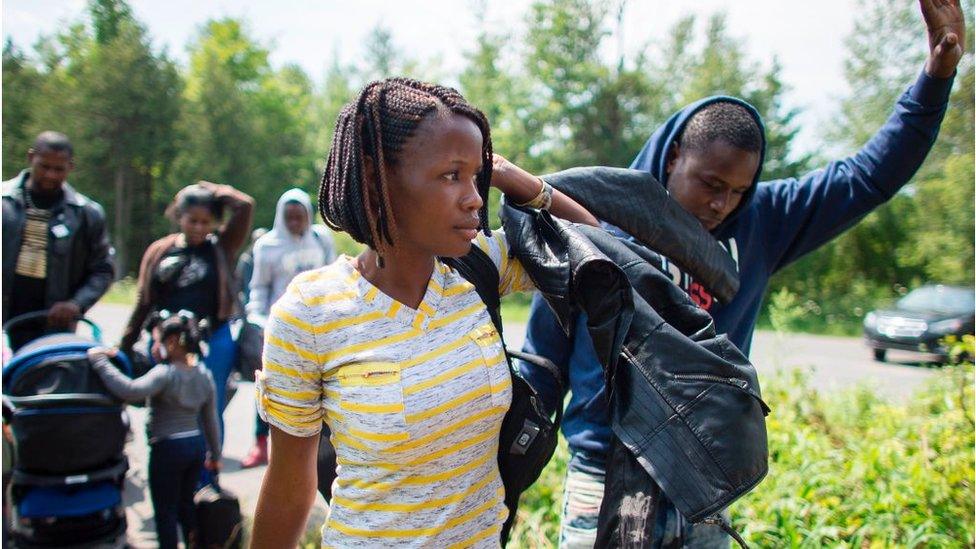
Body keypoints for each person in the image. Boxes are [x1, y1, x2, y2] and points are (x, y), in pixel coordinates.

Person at [519, 1, 966, 547]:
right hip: (608, 472)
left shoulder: (761, 224)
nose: (721, 205)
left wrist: (937, 77)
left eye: (738, 190)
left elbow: (868, 176)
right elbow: (544, 358)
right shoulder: (596, 216)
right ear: (675, 153)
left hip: (707, 478)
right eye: (710, 184)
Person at [249, 77, 596, 549]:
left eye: (477, 176)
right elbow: (290, 490)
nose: (475, 197)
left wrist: (513, 177)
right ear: (377, 179)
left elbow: (598, 249)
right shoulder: (310, 313)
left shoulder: (481, 267)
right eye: (452, 175)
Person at [120, 181, 254, 437]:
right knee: (165, 404)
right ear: (179, 216)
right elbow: (143, 301)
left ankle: (207, 468)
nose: (199, 228)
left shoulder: (222, 248)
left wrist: (212, 190)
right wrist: (124, 346)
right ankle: (167, 463)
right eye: (192, 220)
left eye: (206, 222)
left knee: (210, 404)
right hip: (166, 341)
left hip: (213, 339)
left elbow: (245, 205)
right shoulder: (159, 251)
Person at [88, 311, 221, 549]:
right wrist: (215, 456)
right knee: (186, 505)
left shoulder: (165, 374)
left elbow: (129, 390)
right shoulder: (203, 374)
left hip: (167, 448)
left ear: (171, 342)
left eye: (159, 340)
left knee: (165, 511)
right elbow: (210, 421)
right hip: (195, 446)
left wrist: (100, 362)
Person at [240, 188, 336, 468]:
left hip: (319, 326)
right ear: (281, 218)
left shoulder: (321, 239)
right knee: (271, 385)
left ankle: (321, 444)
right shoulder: (267, 246)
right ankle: (262, 443)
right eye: (289, 218)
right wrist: (257, 320)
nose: (295, 223)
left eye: (300, 217)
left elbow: (334, 277)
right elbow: (258, 288)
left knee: (319, 385)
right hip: (279, 328)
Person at [1, 131, 115, 350]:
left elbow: (102, 270)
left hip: (52, 326)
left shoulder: (86, 214)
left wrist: (75, 304)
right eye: (44, 166)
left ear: (70, 167)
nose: (50, 175)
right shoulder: (4, 203)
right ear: (30, 158)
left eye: (58, 169)